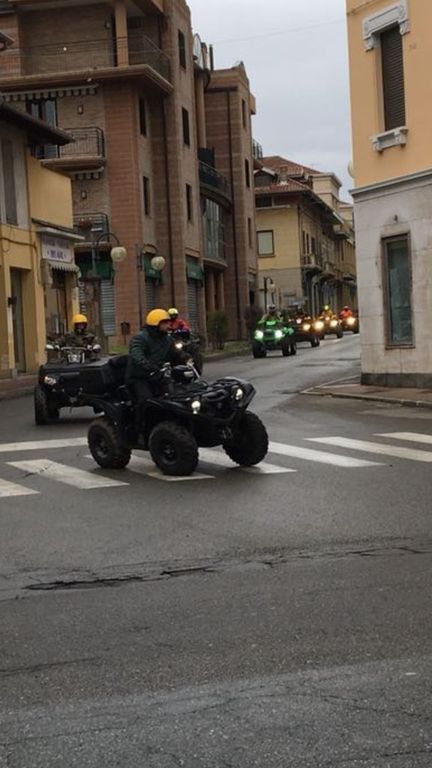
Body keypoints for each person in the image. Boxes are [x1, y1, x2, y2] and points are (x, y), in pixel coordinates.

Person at [126, 309, 185, 424]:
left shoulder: (167, 339)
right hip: (139, 377)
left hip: (157, 374)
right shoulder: (141, 338)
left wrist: (184, 357)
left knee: (175, 395)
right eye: (165, 323)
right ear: (155, 324)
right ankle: (140, 426)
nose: (169, 325)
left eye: (169, 322)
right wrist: (144, 363)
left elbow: (174, 353)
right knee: (146, 400)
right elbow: (136, 352)